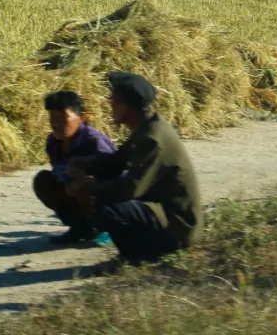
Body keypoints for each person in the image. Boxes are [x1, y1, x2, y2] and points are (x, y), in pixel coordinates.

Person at [65, 72, 203, 267]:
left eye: (115, 100)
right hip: (168, 215)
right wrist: (85, 163)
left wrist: (90, 185)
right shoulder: (147, 126)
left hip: (180, 227)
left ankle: (137, 258)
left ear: (127, 106)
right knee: (107, 192)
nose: (110, 103)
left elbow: (132, 188)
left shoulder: (152, 138)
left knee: (110, 204)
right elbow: (116, 162)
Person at [32, 91, 117, 244]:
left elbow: (114, 177)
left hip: (107, 199)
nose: (56, 123)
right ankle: (80, 227)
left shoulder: (95, 142)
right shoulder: (53, 143)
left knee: (82, 185)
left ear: (81, 117)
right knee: (43, 180)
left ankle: (107, 228)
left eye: (63, 118)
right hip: (74, 194)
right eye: (53, 118)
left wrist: (84, 178)